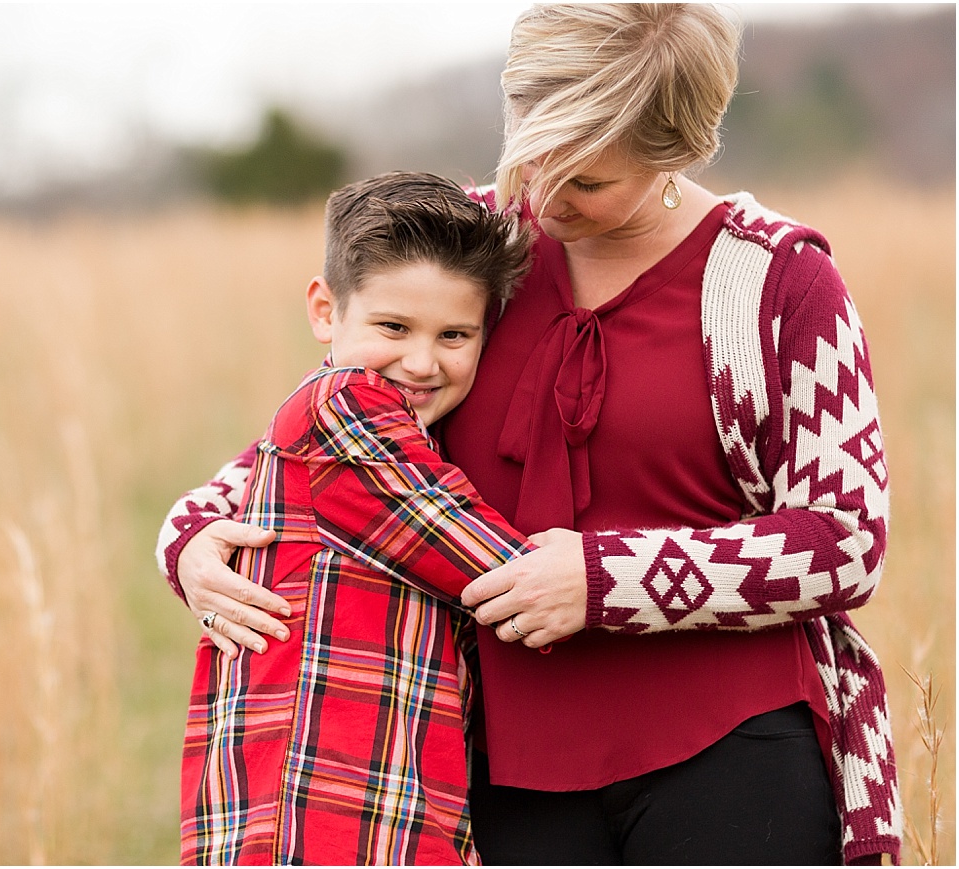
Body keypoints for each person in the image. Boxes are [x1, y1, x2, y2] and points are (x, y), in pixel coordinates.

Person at [158, 5, 900, 865]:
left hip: (733, 751)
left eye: (587, 181)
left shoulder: (775, 281)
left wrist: (603, 581)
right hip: (495, 770)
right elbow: (327, 434)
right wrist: (192, 541)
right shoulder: (474, 249)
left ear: (676, 152)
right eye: (530, 153)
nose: (546, 195)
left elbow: (846, 540)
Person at [178, 171, 536, 865]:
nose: (422, 361)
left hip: (374, 802)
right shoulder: (347, 408)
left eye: (455, 333)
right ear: (325, 309)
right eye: (393, 327)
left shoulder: (365, 418)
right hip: (324, 814)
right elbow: (498, 570)